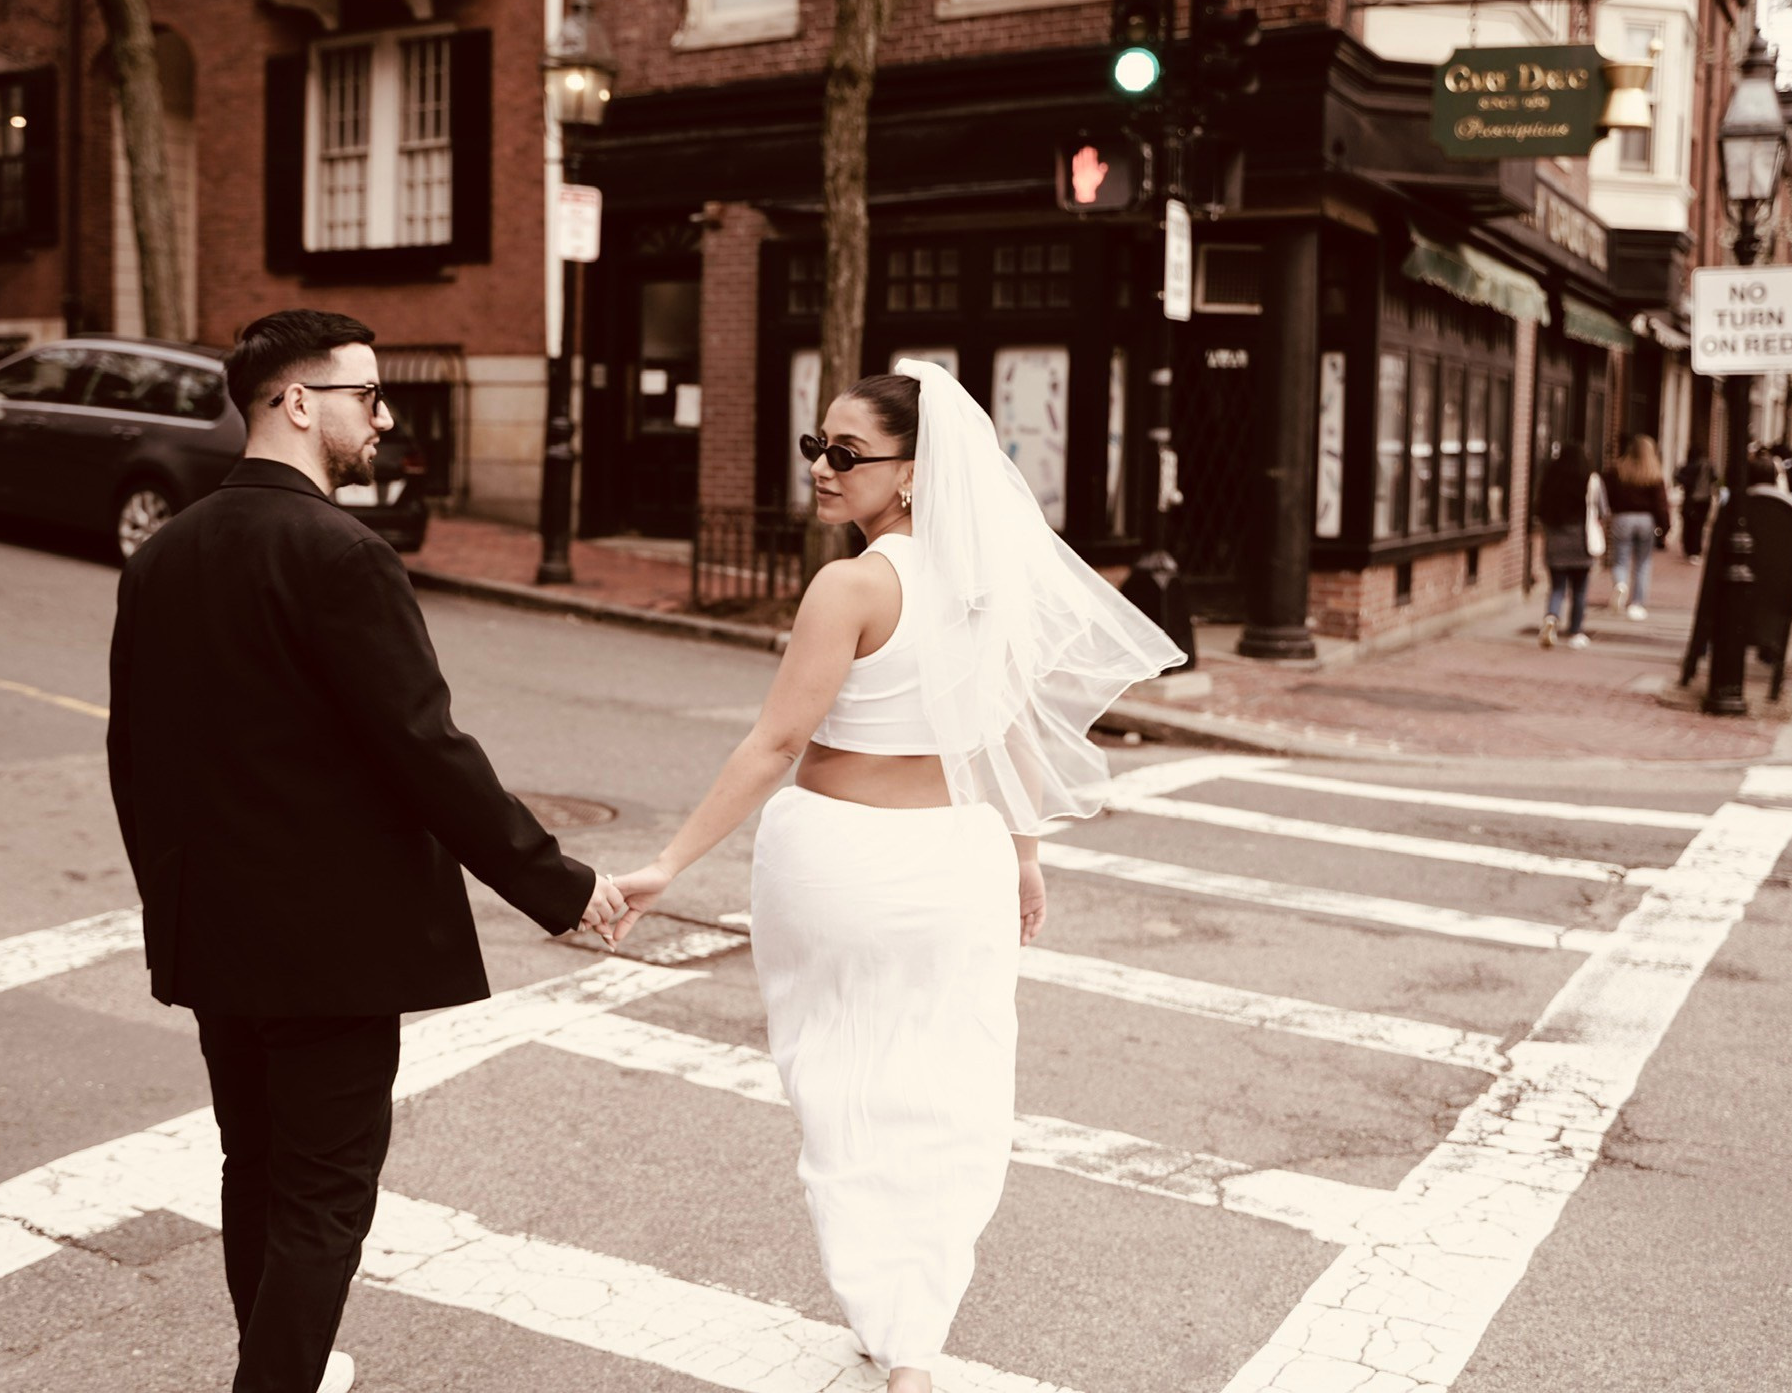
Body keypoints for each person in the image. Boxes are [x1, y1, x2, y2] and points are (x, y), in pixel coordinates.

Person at [597, 360, 1183, 1392]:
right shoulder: (985, 581)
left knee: (839, 1083)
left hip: (841, 856)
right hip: (958, 860)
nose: (821, 468)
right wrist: (1025, 855)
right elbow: (1010, 735)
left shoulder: (853, 583)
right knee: (950, 1085)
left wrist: (666, 862)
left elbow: (776, 741)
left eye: (847, 453)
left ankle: (891, 1315)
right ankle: (913, 1329)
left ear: (912, 475)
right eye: (814, 446)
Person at [105, 309, 629, 1393]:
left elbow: (135, 758)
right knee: (324, 1191)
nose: (383, 418)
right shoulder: (342, 553)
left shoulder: (162, 555)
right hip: (331, 947)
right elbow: (423, 749)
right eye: (369, 395)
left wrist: (176, 906)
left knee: (252, 1165)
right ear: (298, 402)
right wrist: (559, 884)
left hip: (216, 931)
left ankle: (276, 1357)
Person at [1538, 440, 1603, 649]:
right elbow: (1602, 510)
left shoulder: (1551, 478)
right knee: (1580, 590)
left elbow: (1539, 509)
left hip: (1556, 542)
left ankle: (1551, 618)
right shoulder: (1591, 480)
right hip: (1581, 543)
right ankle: (1576, 632)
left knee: (1557, 587)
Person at [1604, 434, 1670, 619]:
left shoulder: (1617, 470)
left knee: (1620, 559)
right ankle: (1637, 604)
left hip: (1622, 518)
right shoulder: (1654, 473)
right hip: (1646, 520)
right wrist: (1665, 528)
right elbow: (1661, 504)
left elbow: (1606, 492)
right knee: (1643, 563)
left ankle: (1620, 585)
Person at [1674, 445, 1717, 564]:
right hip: (1704, 500)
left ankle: (1689, 549)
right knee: (1699, 526)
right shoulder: (1708, 466)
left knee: (1689, 524)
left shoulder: (1688, 466)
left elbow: (1679, 477)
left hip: (1691, 500)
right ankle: (1695, 550)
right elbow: (1715, 478)